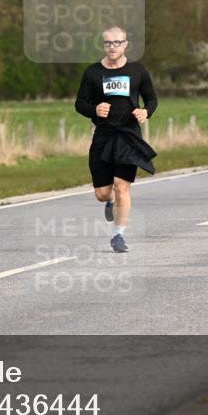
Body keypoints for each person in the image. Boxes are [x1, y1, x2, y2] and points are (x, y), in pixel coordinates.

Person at [75, 26, 158, 253]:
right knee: (103, 193)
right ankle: (110, 200)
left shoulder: (137, 71)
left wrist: (145, 112)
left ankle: (118, 235)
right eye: (108, 43)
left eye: (117, 43)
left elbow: (152, 99)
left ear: (125, 45)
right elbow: (80, 103)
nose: (112, 47)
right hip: (103, 135)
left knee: (122, 187)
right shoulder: (92, 73)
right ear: (104, 45)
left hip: (128, 136)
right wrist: (95, 109)